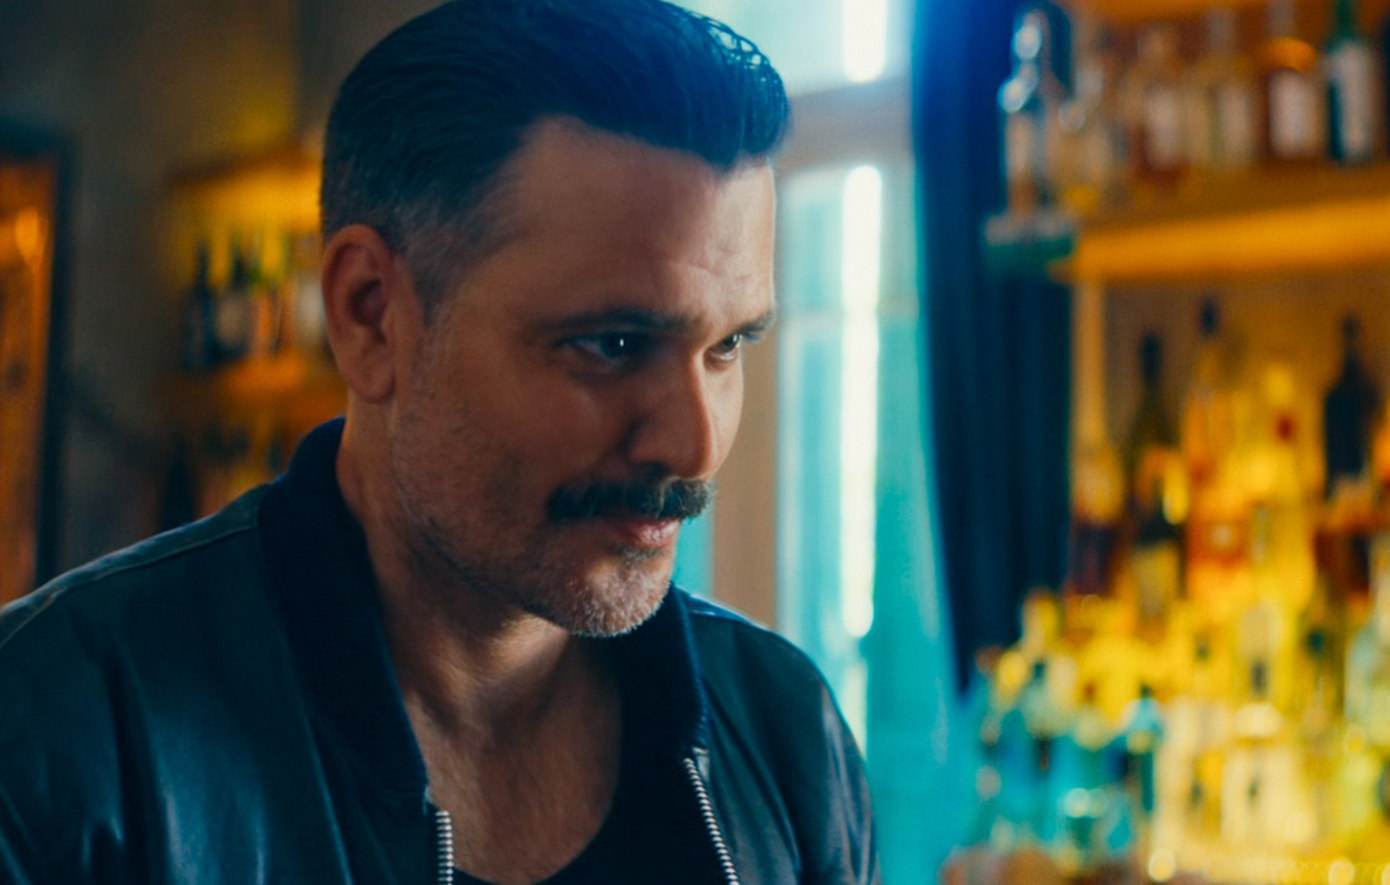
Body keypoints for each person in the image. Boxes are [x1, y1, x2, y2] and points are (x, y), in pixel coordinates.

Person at [0, 1, 880, 883]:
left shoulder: (788, 734)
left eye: (728, 346)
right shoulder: (51, 735)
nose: (693, 444)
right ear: (371, 315)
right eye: (613, 344)